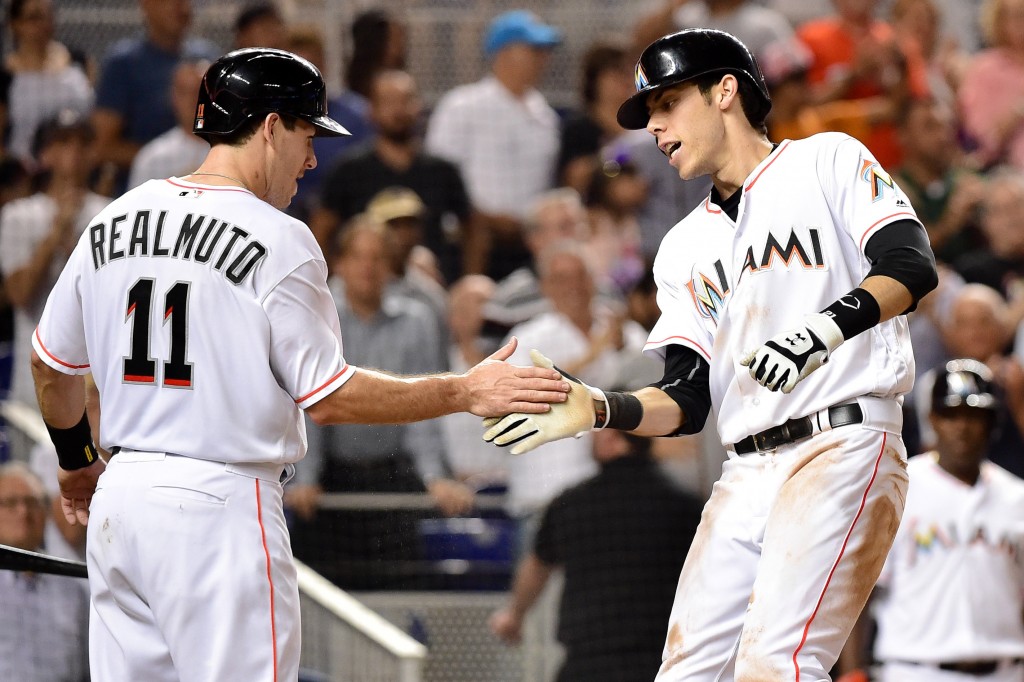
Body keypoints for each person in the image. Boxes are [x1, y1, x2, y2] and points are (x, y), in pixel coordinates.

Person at [29, 48, 568, 682]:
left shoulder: (112, 218)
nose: (312, 159)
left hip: (123, 495)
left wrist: (74, 466)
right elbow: (330, 396)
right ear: (270, 126)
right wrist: (464, 391)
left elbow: (49, 366)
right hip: (220, 503)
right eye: (307, 135)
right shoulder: (280, 236)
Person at [484, 28, 939, 680]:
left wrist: (821, 332)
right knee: (684, 674)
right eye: (650, 115)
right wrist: (600, 407)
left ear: (726, 90)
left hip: (841, 441)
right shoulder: (682, 248)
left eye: (668, 105)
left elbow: (910, 264)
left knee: (775, 664)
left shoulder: (826, 161)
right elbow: (686, 398)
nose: (657, 129)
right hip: (745, 471)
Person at [287, 218, 474, 589]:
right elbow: (308, 399)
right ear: (339, 263)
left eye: (377, 257)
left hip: (394, 473)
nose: (367, 267)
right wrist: (305, 477)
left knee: (400, 584)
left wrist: (435, 477)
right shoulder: (315, 316)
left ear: (390, 265)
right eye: (358, 257)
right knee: (326, 592)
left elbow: (424, 406)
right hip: (328, 477)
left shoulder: (416, 320)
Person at [842, 359, 1024, 681]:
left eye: (974, 415)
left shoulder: (1017, 496)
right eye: (951, 414)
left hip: (1007, 669)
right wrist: (853, 671)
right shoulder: (897, 486)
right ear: (933, 419)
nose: (963, 426)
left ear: (991, 422)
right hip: (915, 669)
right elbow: (861, 588)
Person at [489, 425, 704, 682]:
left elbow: (537, 566)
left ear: (611, 438)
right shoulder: (683, 504)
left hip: (588, 662)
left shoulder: (571, 504)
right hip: (661, 664)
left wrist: (514, 616)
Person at [425, 9, 562, 281]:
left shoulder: (546, 116)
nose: (543, 58)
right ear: (505, 52)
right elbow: (439, 180)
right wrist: (481, 217)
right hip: (472, 244)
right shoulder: (462, 106)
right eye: (533, 49)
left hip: (530, 245)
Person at [313, 69, 480, 283]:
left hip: (431, 288)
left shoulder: (442, 171)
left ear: (419, 106)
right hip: (366, 290)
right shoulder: (348, 170)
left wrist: (467, 279)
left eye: (406, 100)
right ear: (371, 110)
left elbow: (473, 228)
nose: (399, 110)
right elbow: (322, 229)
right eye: (389, 102)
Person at [0, 112, 108, 411]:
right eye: (62, 143)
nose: (73, 152)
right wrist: (56, 233)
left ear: (93, 153)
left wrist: (71, 245)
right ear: (44, 154)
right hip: (33, 378)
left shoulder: (111, 214)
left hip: (94, 381)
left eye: (82, 143)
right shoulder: (18, 215)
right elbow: (20, 294)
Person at [90, 0, 219, 182]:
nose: (180, 7)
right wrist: (163, 161)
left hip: (208, 171)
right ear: (146, 5)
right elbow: (102, 145)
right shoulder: (124, 64)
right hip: (145, 181)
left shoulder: (208, 56)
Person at [0, 462, 90, 682]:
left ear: (47, 513)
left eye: (32, 503)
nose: (23, 512)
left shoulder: (73, 590)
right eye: (10, 503)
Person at [3, 0, 94, 167]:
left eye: (48, 16)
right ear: (15, 24)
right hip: (26, 172)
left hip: (75, 166)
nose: (43, 25)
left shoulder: (78, 63)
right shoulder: (6, 78)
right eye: (34, 18)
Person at [957, 0, 1024, 170]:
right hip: (1007, 170)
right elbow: (983, 140)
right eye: (1017, 16)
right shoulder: (985, 69)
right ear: (1000, 22)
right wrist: (1017, 111)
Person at [126, 59, 210, 189]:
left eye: (201, 92)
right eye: (185, 92)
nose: (194, 100)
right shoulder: (152, 158)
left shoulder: (233, 151)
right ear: (173, 97)